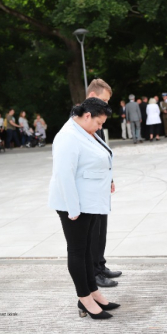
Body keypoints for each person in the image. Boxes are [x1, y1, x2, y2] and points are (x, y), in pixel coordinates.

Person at [48, 98, 120, 320]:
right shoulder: (67, 136)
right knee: (78, 251)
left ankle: (93, 292)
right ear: (87, 115)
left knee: (88, 249)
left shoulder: (83, 131)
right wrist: (73, 209)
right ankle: (84, 298)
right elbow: (64, 174)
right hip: (75, 204)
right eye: (99, 123)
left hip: (88, 202)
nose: (100, 128)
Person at [84, 79, 121, 289]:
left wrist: (110, 178)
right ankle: (95, 272)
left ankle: (100, 264)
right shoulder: (82, 119)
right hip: (90, 185)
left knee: (102, 228)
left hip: (101, 182)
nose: (106, 105)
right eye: (104, 100)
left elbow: (102, 150)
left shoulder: (97, 117)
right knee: (93, 231)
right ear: (92, 97)